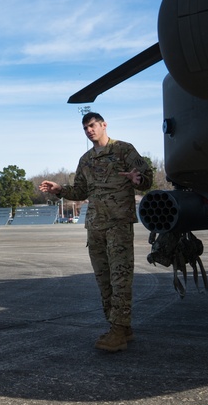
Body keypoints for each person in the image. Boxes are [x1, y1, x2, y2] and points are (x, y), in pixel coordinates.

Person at [39, 112, 152, 353]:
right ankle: (120, 326)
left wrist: (138, 179)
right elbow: (80, 191)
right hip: (95, 226)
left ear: (103, 125)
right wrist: (59, 190)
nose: (89, 130)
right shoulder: (86, 159)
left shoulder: (123, 150)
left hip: (118, 224)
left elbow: (146, 178)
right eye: (85, 128)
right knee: (103, 279)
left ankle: (118, 331)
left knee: (120, 278)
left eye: (92, 126)